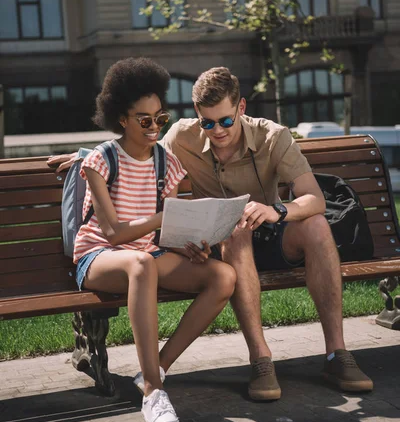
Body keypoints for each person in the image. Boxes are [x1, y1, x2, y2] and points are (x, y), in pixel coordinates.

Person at [49, 65, 373, 402]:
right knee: (235, 233)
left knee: (317, 225)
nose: (216, 130)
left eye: (226, 121)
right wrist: (86, 157)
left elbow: (314, 199)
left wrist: (275, 210)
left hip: (269, 229)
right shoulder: (181, 138)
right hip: (222, 242)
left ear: (241, 108)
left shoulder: (273, 136)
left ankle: (337, 355)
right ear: (197, 116)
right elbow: (131, 148)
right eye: (207, 122)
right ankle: (261, 360)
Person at [67, 58, 236, 422]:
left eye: (161, 118)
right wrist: (164, 220)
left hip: (148, 254)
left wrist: (187, 244)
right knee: (140, 264)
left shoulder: (167, 161)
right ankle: (154, 396)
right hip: (99, 258)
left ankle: (154, 369)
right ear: (122, 119)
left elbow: (163, 234)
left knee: (223, 276)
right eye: (144, 120)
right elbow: (111, 233)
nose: (155, 127)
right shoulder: (101, 160)